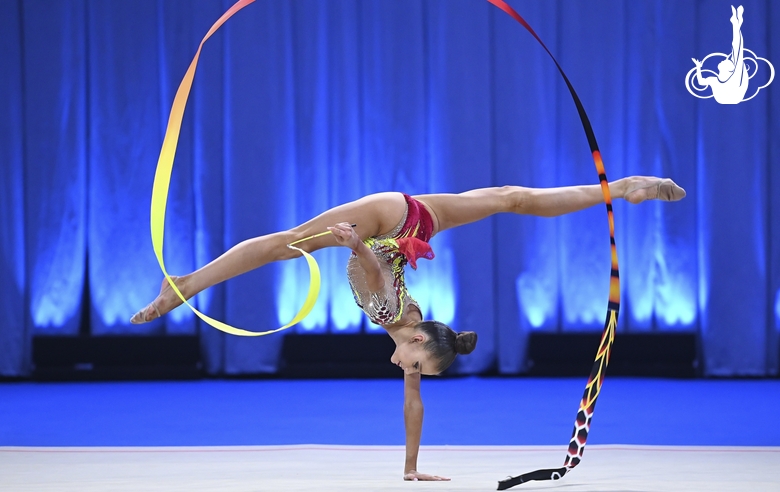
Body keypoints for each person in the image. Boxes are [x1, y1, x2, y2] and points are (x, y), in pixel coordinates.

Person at [131, 176, 685, 481]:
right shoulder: (390, 320)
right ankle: (181, 285)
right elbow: (374, 274)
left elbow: (413, 407)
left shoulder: (416, 333)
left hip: (415, 217)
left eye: (416, 373)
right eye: (415, 367)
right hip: (382, 224)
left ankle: (628, 186)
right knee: (281, 245)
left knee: (513, 200)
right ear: (419, 342)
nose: (407, 374)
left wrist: (412, 468)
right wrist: (357, 245)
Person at [692, 5, 748, 104]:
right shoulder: (715, 80)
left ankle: (736, 23)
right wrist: (698, 67)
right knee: (737, 52)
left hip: (733, 96)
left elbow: (737, 49)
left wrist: (698, 68)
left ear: (729, 69)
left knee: (737, 51)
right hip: (729, 97)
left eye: (727, 61)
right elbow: (701, 82)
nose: (724, 59)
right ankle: (736, 23)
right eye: (727, 60)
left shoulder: (733, 78)